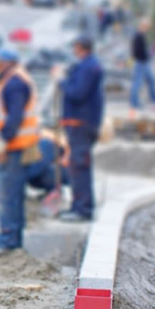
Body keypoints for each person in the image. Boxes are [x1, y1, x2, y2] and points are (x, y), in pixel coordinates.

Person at [0, 47, 40, 256]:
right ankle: (13, 238)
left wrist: (1, 143)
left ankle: (8, 240)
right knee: (13, 194)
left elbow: (14, 118)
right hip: (17, 146)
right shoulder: (13, 79)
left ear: (5, 62)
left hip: (13, 148)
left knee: (8, 195)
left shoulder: (14, 83)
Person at [58, 35, 104, 222]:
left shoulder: (87, 67)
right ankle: (79, 205)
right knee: (77, 165)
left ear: (80, 47)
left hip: (81, 123)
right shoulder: (88, 65)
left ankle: (82, 209)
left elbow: (77, 93)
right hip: (80, 122)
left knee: (79, 165)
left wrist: (62, 82)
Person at [129, 18, 155, 113]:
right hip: (141, 62)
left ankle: (154, 100)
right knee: (138, 83)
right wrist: (146, 56)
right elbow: (137, 52)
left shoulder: (140, 35)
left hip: (143, 62)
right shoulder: (139, 36)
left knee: (151, 80)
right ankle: (134, 102)